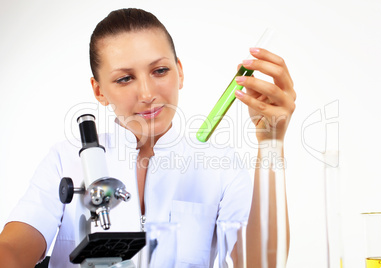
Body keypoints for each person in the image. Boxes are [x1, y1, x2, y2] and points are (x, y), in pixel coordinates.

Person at [0, 8, 296, 268]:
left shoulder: (220, 166)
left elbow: (260, 263)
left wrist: (271, 143)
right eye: (124, 78)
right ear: (99, 91)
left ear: (179, 72)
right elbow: (13, 248)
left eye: (160, 70)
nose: (147, 94)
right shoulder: (65, 159)